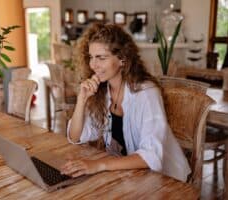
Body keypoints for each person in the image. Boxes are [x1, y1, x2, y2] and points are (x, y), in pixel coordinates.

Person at [60, 23, 191, 182]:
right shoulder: (103, 91)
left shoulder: (146, 93)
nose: (93, 65)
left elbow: (151, 156)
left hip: (165, 179)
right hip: (129, 175)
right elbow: (76, 137)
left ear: (122, 59)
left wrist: (100, 165)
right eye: (91, 57)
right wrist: (81, 100)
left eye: (101, 57)